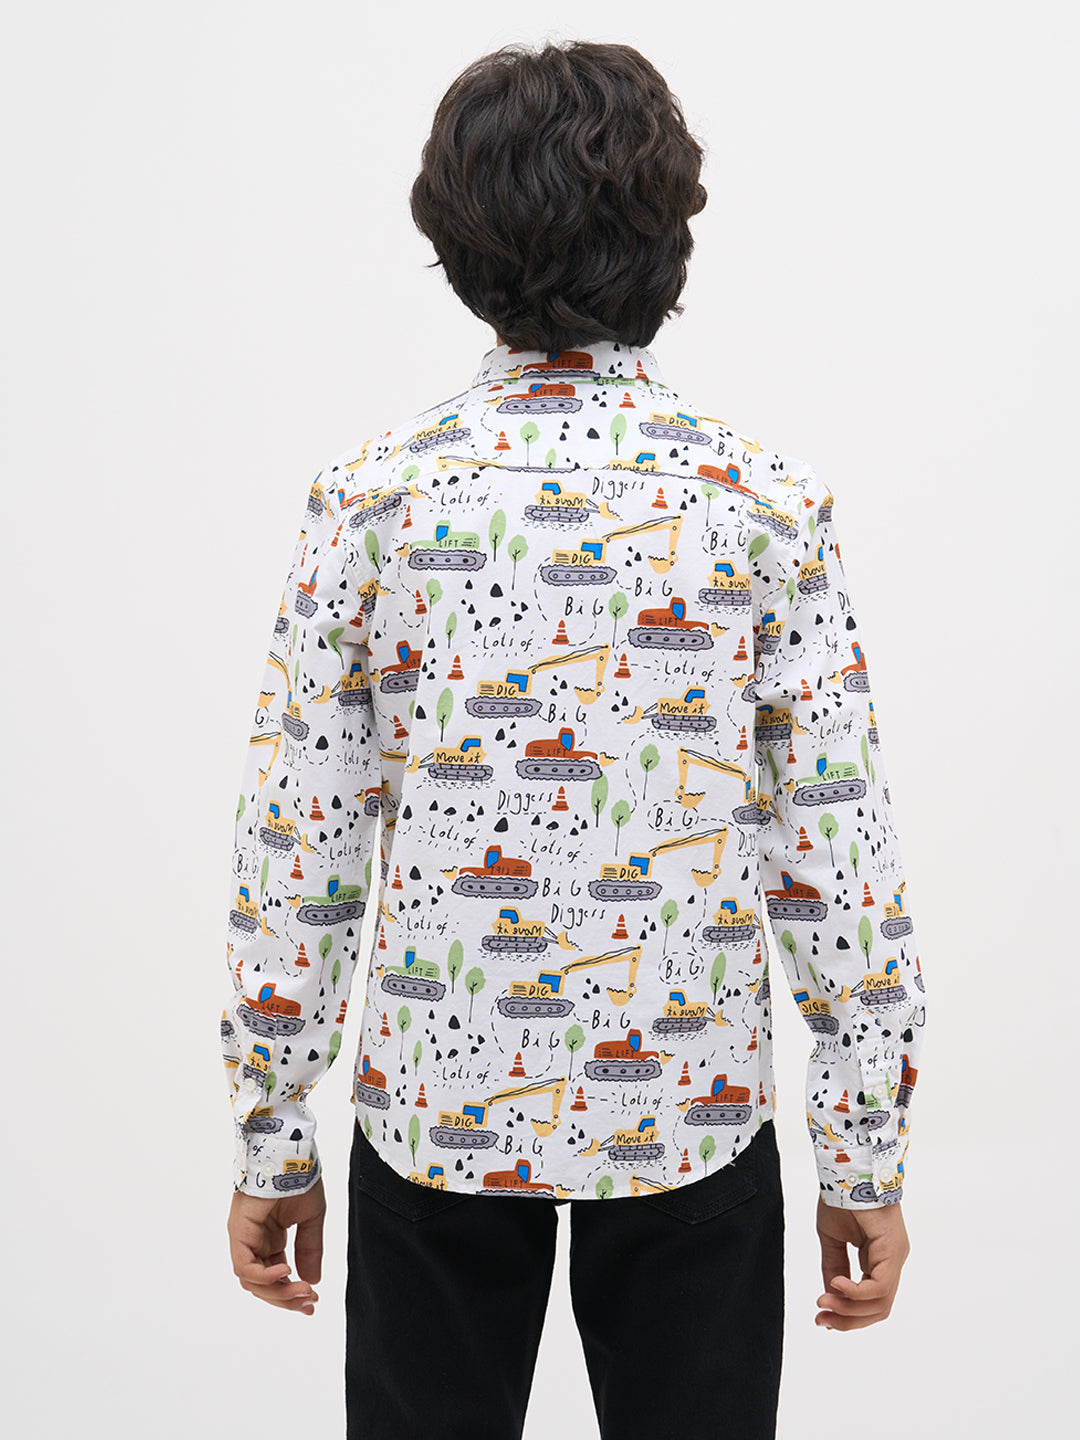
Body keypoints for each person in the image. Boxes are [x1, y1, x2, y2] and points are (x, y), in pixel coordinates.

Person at [222, 38, 926, 1440]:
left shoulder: (369, 501)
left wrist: (272, 1132)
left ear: (453, 242)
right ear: (672, 240)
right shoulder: (763, 504)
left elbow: (299, 846)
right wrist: (865, 1157)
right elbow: (837, 856)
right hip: (692, 1115)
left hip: (435, 1110)